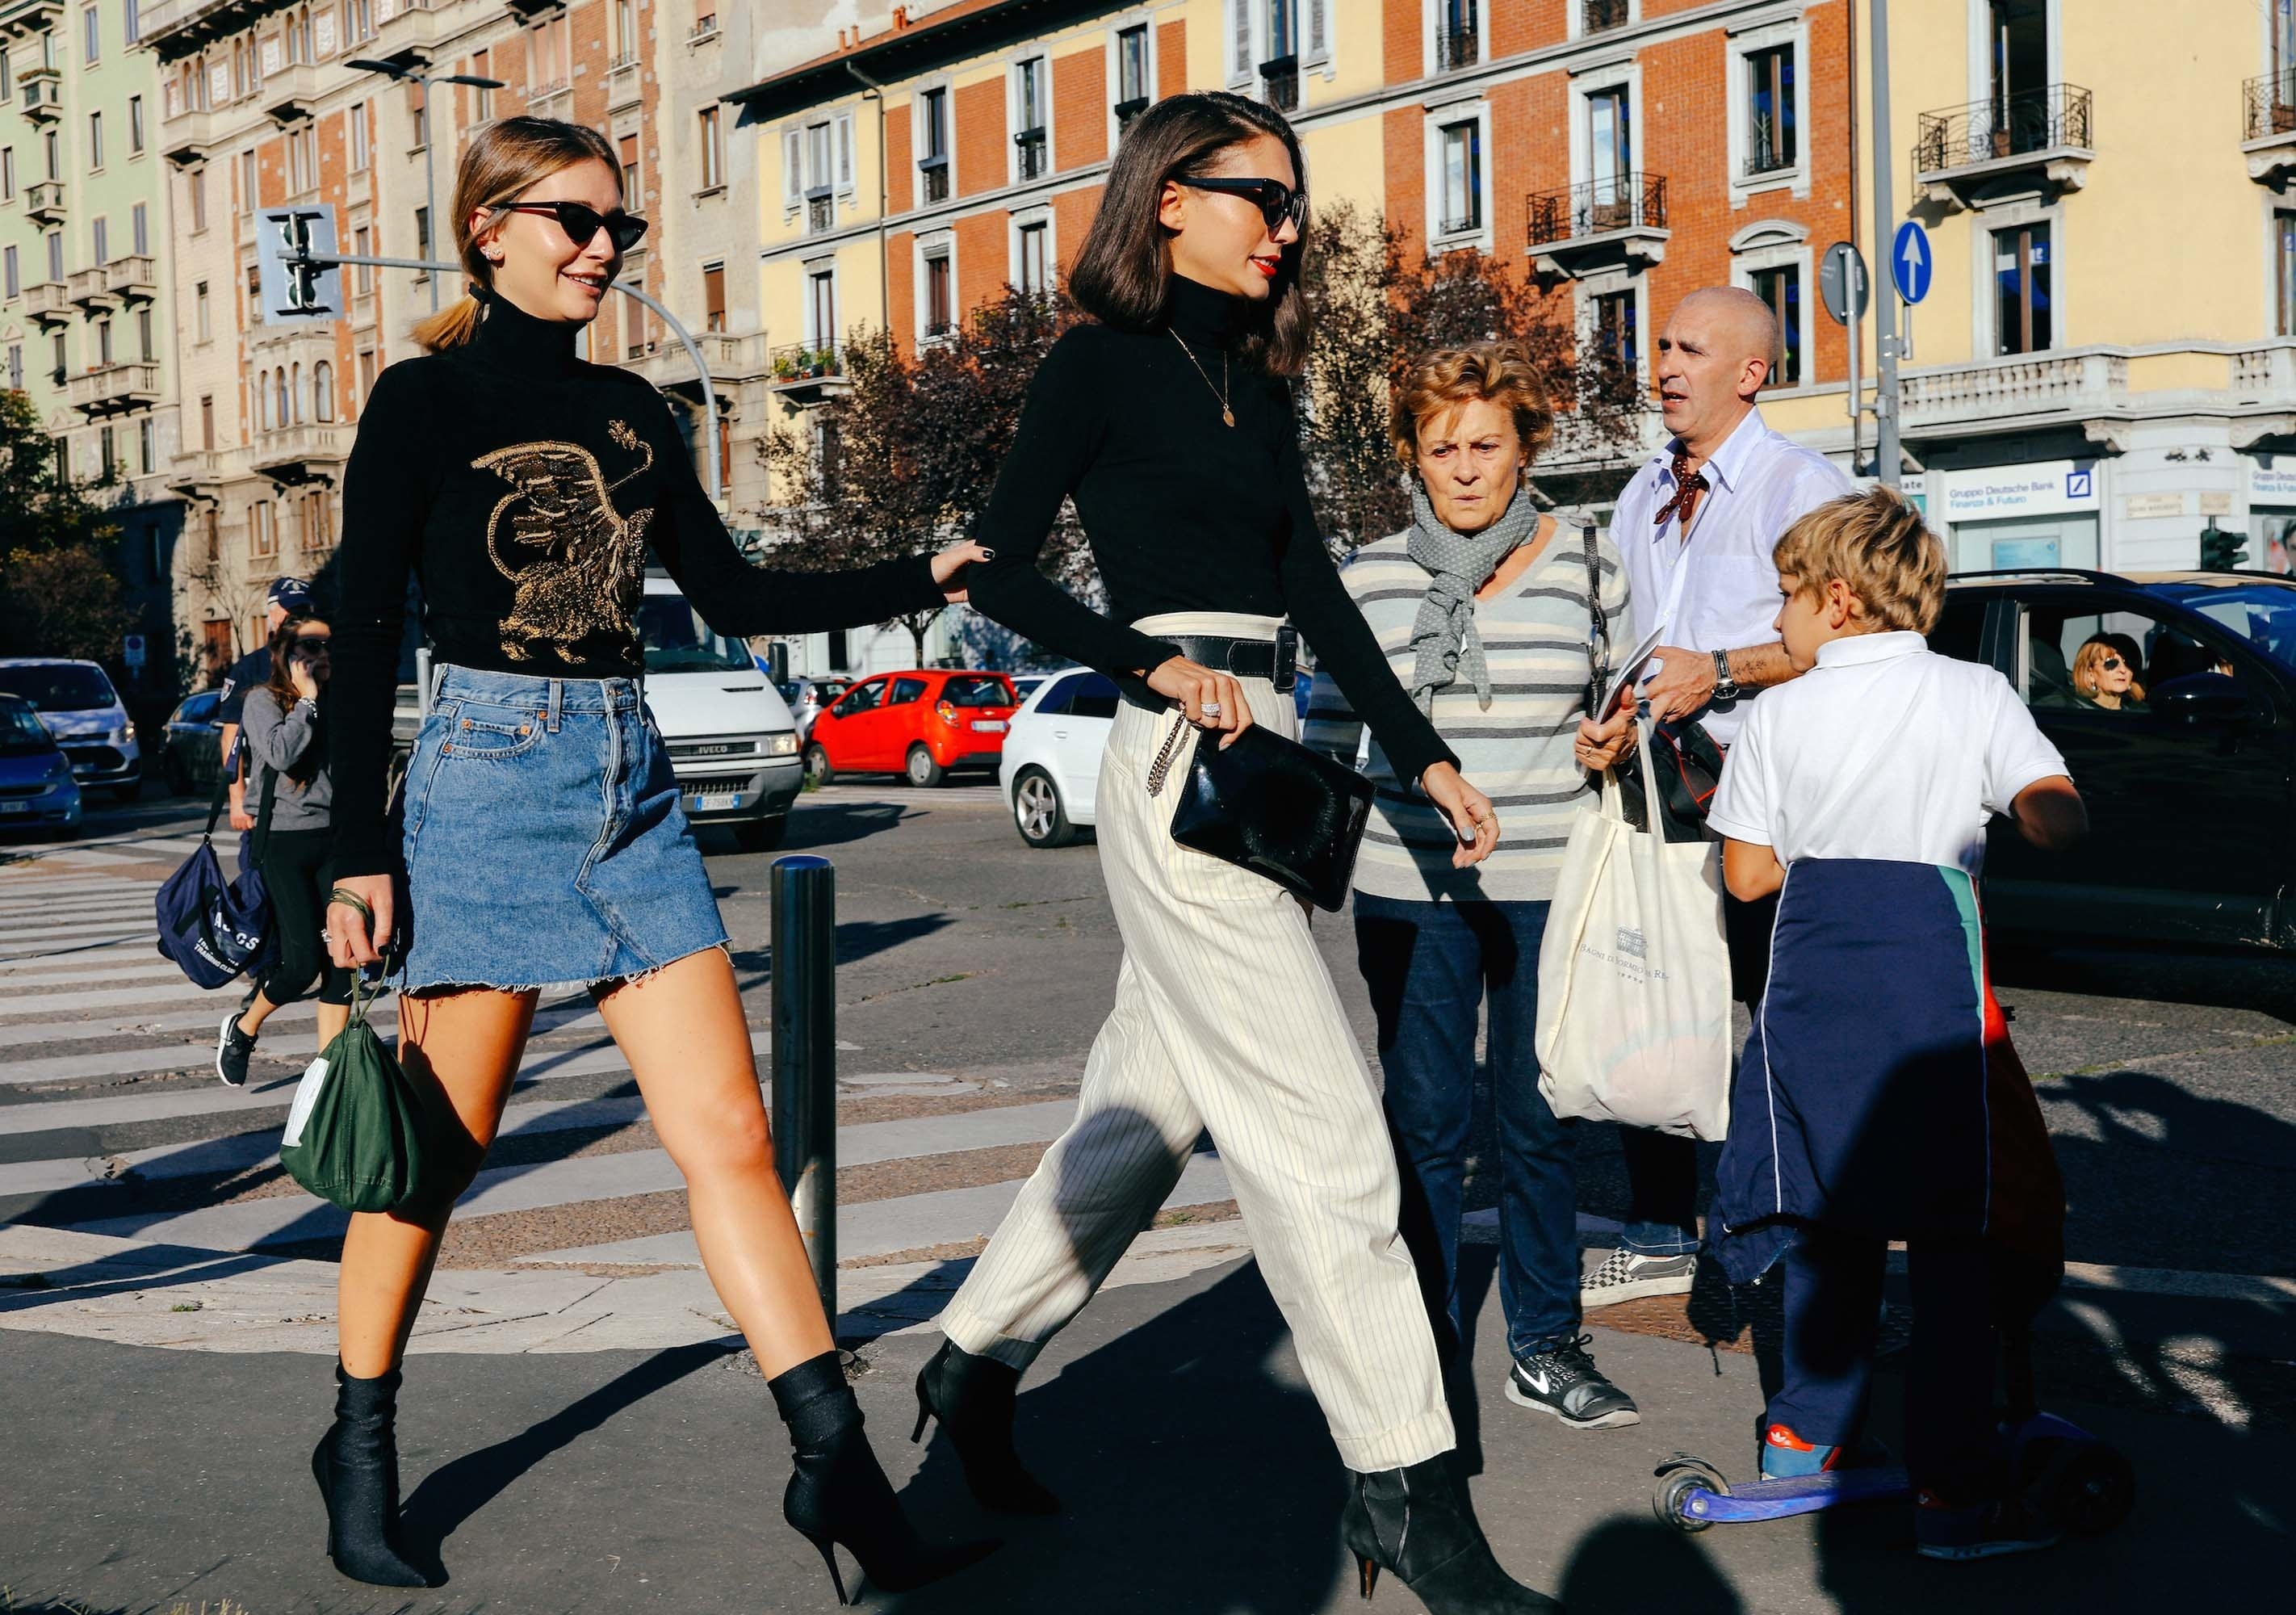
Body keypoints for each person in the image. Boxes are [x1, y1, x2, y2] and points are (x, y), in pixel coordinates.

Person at [320, 118, 994, 1600]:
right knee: (435, 1152)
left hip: (629, 784)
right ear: (486, 227)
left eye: (613, 225)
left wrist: (915, 573)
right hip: (484, 785)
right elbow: (367, 627)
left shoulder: (632, 409)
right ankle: (359, 1446)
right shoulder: (422, 400)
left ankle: (837, 1468)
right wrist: (358, 858)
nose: (601, 248)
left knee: (731, 1143)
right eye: (570, 219)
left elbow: (738, 588)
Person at [920, 94, 1548, 1614]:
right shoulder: (1097, 365)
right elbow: (984, 568)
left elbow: (1317, 599)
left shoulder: (1255, 385)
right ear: (1164, 203)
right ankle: (1407, 1489)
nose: (1284, 227)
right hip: (1173, 752)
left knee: (1143, 1112)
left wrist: (1424, 753)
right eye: (1258, 197)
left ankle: (968, 1362)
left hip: (1261, 751)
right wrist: (1144, 667)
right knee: (1327, 1135)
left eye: (1290, 202)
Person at [1706, 487, 2085, 1559]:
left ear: (1837, 600)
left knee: (1830, 1219)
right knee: (1953, 1243)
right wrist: (2032, 810)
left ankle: (1804, 1443)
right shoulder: (1976, 693)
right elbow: (2056, 810)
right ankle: (1955, 1496)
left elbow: (1746, 879)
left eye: (1785, 598)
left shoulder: (1777, 715)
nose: (1776, 621)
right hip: (1932, 1008)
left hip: (1815, 994)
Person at [1305, 341, 1640, 1433]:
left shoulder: (1589, 566)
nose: (1461, 468)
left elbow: (1627, 702)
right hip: (1409, 887)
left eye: (1484, 446)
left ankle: (1544, 1345)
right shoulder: (1367, 575)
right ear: (1410, 451)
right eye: (1440, 446)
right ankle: (1423, 1355)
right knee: (1428, 1124)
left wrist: (1619, 740)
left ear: (1524, 448)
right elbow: (1330, 734)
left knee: (1539, 1122)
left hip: (1555, 881)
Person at [1573, 286, 1850, 1313]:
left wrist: (1720, 672)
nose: (1665, 365)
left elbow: (1837, 636)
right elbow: (1633, 641)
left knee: (1777, 1021)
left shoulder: (1801, 485)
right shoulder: (1641, 493)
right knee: (1653, 1007)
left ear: (1751, 373)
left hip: (1765, 801)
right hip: (1655, 787)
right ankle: (1656, 1230)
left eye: (1691, 348)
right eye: (1660, 345)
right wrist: (1611, 714)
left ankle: (1782, 1234)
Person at [213, 614, 351, 1086]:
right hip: (285, 844)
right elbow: (279, 754)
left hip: (335, 838)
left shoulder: (341, 701)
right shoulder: (262, 700)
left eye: (328, 645)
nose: (321, 655)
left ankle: (329, 1069)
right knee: (302, 962)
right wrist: (307, 702)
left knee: (343, 958)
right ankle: (245, 1027)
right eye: (310, 645)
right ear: (287, 654)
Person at [218, 576, 313, 832]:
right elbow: (231, 738)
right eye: (291, 613)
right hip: (266, 796)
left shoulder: (318, 661)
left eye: (304, 613)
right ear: (272, 616)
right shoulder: (251, 668)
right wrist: (238, 800)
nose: (298, 621)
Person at [2069, 636, 2147, 711]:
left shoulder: (2142, 713)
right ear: (2090, 674)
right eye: (2111, 663)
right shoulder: (2076, 714)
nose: (2123, 670)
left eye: (2128, 663)